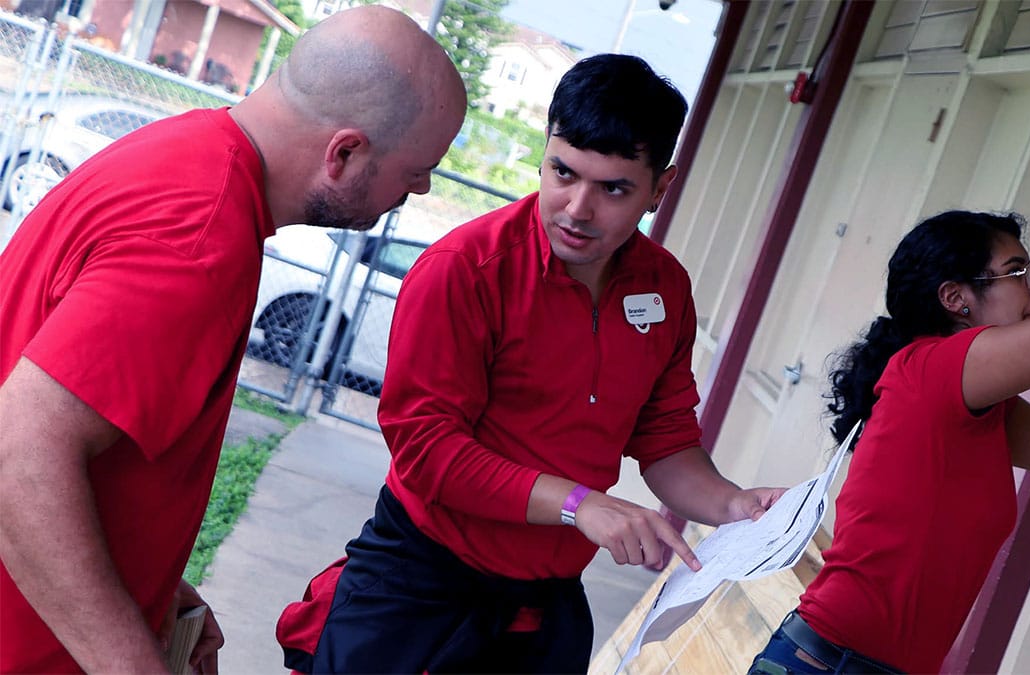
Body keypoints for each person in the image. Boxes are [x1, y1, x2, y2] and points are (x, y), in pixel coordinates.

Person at [276, 53, 787, 674]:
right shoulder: (465, 270)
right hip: (419, 587)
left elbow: (664, 440)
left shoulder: (665, 287)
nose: (576, 207)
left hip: (543, 607)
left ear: (661, 188)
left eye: (613, 188)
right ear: (543, 154)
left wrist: (733, 505)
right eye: (562, 172)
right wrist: (582, 504)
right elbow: (427, 450)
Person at [0, 6, 466, 673]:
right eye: (418, 169)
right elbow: (19, 458)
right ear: (344, 153)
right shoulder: (200, 239)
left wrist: (156, 588)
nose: (417, 188)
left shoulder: (187, 154)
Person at [748, 177, 1030, 675]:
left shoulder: (974, 403)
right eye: (1017, 272)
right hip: (828, 663)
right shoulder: (929, 371)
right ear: (955, 298)